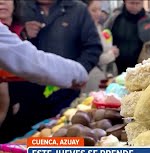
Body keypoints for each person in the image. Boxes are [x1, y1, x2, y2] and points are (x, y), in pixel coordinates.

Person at [3, 0, 101, 141]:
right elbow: (16, 50)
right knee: (24, 145)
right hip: (27, 99)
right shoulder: (22, 7)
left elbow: (92, 48)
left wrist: (80, 73)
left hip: (66, 96)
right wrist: (23, 31)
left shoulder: (77, 9)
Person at [105, 0, 150, 73]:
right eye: (132, 3)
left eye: (138, 3)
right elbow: (103, 34)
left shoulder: (148, 19)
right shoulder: (115, 17)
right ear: (125, 2)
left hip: (140, 63)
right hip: (117, 64)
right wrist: (109, 48)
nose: (135, 6)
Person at [81, 0, 119, 93]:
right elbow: (93, 56)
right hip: (91, 79)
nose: (98, 13)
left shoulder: (98, 27)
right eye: (94, 10)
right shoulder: (82, 30)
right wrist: (111, 54)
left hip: (104, 75)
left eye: (99, 10)